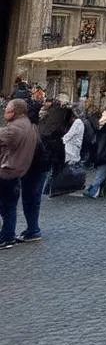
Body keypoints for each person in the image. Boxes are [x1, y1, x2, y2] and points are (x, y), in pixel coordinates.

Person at [0, 99, 37, 249]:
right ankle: (7, 236)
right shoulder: (28, 124)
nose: (4, 112)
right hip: (16, 170)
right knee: (9, 207)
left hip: (7, 171)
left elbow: (5, 136)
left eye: (7, 109)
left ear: (14, 111)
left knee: (6, 206)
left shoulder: (15, 128)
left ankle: (6, 237)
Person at [82, 109, 106, 198]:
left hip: (103, 154)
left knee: (101, 175)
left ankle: (93, 191)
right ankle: (93, 191)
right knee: (101, 175)